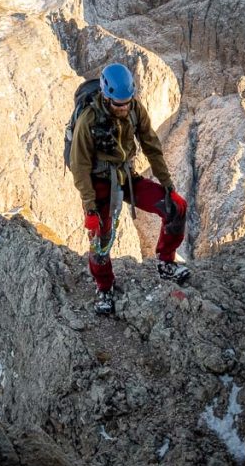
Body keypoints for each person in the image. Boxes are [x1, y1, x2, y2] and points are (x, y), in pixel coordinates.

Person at [69, 62, 189, 315]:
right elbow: (79, 167)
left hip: (127, 178)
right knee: (100, 240)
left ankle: (166, 262)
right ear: (105, 95)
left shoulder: (135, 109)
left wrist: (168, 186)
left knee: (176, 208)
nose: (123, 108)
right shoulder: (88, 120)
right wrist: (90, 208)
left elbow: (151, 146)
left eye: (127, 102)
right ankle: (104, 287)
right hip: (99, 183)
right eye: (118, 104)